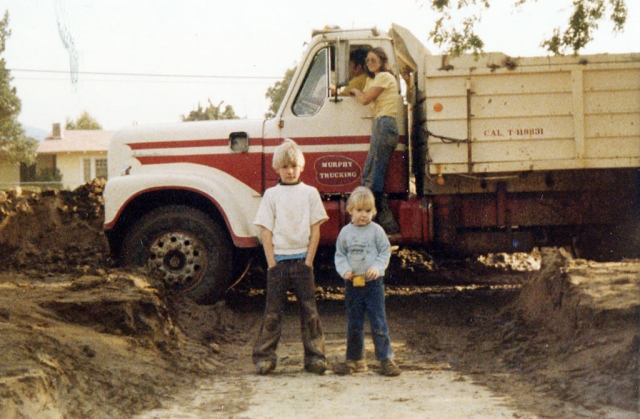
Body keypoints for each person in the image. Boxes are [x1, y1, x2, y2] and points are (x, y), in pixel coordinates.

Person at [252, 138, 329, 376]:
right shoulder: (271, 195)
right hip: (279, 263)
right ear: (277, 168)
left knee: (310, 311)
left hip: (302, 262)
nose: (289, 171)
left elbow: (316, 228)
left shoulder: (310, 193)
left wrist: (309, 261)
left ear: (302, 167)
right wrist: (271, 263)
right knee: (273, 313)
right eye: (285, 166)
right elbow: (266, 230)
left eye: (294, 166)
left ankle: (315, 357)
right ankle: (265, 358)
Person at [333, 186, 401, 377]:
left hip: (373, 284)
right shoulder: (345, 233)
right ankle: (355, 360)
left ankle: (386, 359)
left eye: (368, 211)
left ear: (374, 212)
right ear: (350, 210)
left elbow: (385, 252)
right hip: (353, 283)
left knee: (378, 322)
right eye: (359, 210)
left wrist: (378, 268)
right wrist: (345, 270)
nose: (363, 215)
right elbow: (340, 255)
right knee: (354, 323)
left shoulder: (376, 231)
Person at [350, 47, 400, 234]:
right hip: (381, 125)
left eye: (374, 59)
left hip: (384, 124)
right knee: (369, 176)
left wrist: (354, 90)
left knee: (373, 177)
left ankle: (385, 224)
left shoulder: (385, 77)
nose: (370, 63)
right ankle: (382, 222)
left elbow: (364, 100)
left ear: (382, 61)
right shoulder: (375, 79)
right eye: (368, 60)